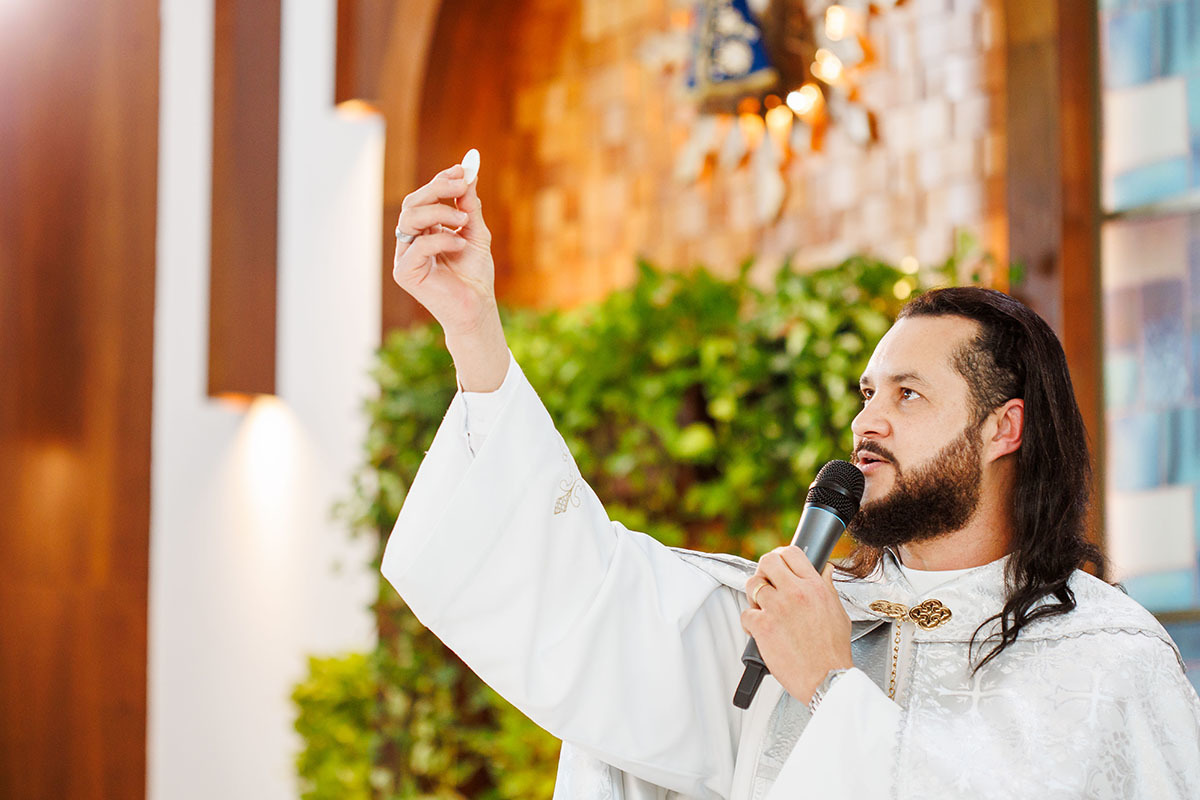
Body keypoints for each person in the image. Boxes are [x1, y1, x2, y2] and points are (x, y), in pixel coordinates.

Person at [381, 161, 1200, 799]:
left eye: (908, 396)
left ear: (1002, 428)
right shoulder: (792, 624)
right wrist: (473, 328)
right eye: (867, 394)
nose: (867, 423)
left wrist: (832, 688)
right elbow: (587, 603)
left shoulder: (1106, 666)